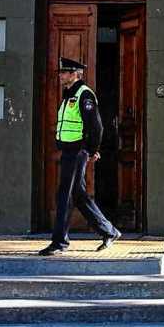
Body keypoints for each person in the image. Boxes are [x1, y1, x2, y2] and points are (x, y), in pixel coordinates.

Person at [39, 57, 122, 256]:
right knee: (77, 194)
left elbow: (96, 127)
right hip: (70, 151)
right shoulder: (70, 95)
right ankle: (109, 231)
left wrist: (90, 151)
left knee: (64, 195)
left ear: (75, 74)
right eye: (61, 72)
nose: (61, 75)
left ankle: (59, 242)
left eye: (65, 72)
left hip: (77, 152)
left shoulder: (84, 95)